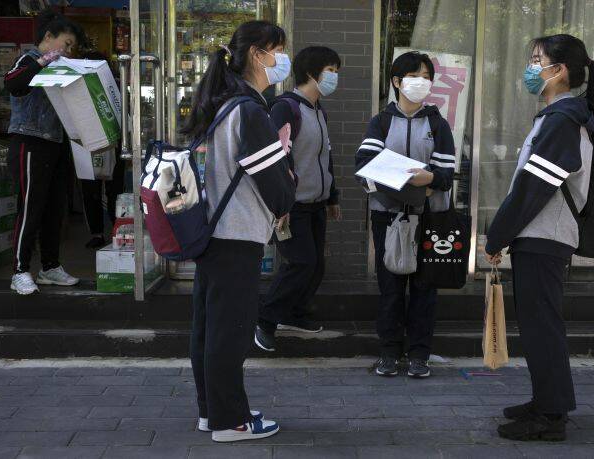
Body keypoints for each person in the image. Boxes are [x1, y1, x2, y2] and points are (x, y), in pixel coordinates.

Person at [484, 34, 594, 441]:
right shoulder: (561, 117)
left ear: (560, 71)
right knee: (539, 326)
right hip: (541, 235)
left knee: (543, 328)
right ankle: (545, 402)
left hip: (544, 235)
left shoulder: (562, 120)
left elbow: (533, 188)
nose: (532, 68)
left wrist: (497, 234)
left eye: (538, 60)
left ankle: (551, 417)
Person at [181, 20, 295, 442]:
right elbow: (275, 183)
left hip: (212, 234)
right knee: (230, 330)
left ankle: (213, 412)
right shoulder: (249, 110)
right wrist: (286, 195)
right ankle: (231, 421)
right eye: (278, 50)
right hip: (236, 235)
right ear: (257, 54)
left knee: (210, 328)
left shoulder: (223, 104)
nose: (283, 59)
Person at [355, 51, 455, 379]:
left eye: (427, 76)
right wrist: (418, 182)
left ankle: (419, 354)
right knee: (391, 287)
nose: (422, 82)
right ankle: (388, 352)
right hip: (388, 217)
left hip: (430, 219)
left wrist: (420, 181)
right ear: (397, 82)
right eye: (415, 76)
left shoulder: (438, 124)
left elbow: (445, 175)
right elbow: (365, 169)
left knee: (425, 289)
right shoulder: (381, 121)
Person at [254, 46, 342, 351]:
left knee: (315, 265)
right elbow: (278, 159)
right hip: (292, 206)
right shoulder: (286, 108)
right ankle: (265, 320)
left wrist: (332, 197)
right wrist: (281, 203)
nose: (334, 76)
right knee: (300, 262)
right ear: (311, 73)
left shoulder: (318, 111)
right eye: (330, 70)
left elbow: (324, 156)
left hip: (315, 203)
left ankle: (293, 313)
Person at [5, 10, 86, 295]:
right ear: (48, 37)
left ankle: (50, 266)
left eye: (71, 47)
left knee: (54, 209)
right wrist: (42, 62)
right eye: (65, 43)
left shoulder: (61, 67)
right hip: (30, 141)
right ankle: (19, 270)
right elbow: (12, 83)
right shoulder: (28, 59)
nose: (67, 50)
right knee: (30, 207)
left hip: (56, 143)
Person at [78, 51, 125, 250]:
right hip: (89, 142)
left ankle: (115, 230)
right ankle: (99, 232)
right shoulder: (78, 85)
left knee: (111, 191)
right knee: (93, 191)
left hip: (113, 142)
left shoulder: (116, 85)